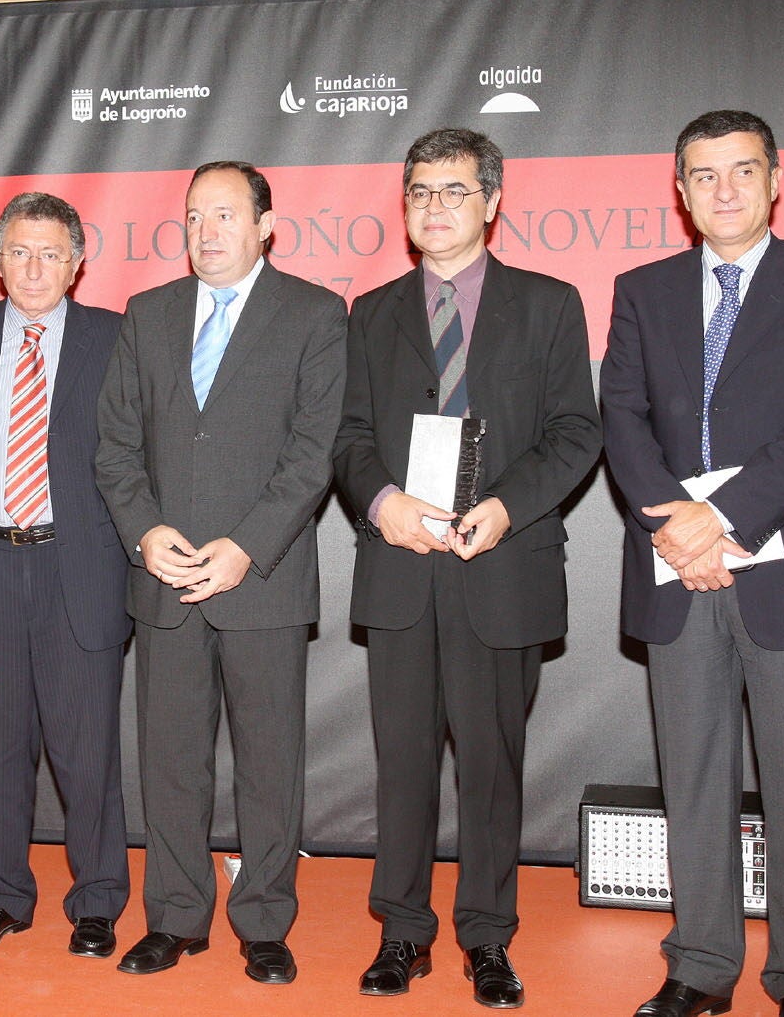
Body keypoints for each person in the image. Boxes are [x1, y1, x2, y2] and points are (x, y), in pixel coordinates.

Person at [599, 110, 784, 1017]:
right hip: (675, 572)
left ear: (774, 179)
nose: (722, 190)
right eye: (702, 175)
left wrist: (720, 520)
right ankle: (698, 967)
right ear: (678, 191)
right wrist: (680, 533)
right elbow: (623, 421)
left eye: (740, 171)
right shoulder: (641, 289)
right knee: (693, 782)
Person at [333, 128, 601, 1007]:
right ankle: (401, 932)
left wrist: (506, 506)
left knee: (490, 768)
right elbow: (349, 438)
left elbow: (575, 432)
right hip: (404, 568)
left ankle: (487, 938)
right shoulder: (368, 313)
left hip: (501, 567)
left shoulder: (549, 302)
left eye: (452, 191)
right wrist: (383, 504)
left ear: (490, 201)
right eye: (418, 192)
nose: (433, 207)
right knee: (402, 765)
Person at [95, 161, 346, 985]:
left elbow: (312, 454)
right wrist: (145, 532)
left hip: (261, 580)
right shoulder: (148, 314)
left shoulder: (313, 313)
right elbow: (115, 448)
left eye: (226, 215)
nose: (207, 231)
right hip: (164, 580)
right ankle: (172, 917)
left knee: (269, 763)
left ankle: (265, 921)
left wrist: (246, 545)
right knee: (170, 761)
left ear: (266, 224)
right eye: (195, 215)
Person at [0, 192, 131, 957]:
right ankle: (0, 897)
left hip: (77, 569)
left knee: (88, 756)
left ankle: (97, 903)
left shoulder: (116, 338)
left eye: (51, 252)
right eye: (19, 251)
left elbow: (131, 457)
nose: (34, 267)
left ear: (78, 262)